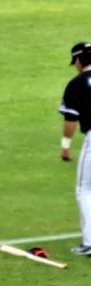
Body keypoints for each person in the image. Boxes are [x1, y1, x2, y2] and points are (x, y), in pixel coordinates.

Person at [59, 41, 91, 255]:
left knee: (85, 189)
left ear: (79, 60)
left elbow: (71, 118)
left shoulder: (77, 83)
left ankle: (89, 242)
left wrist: (65, 147)